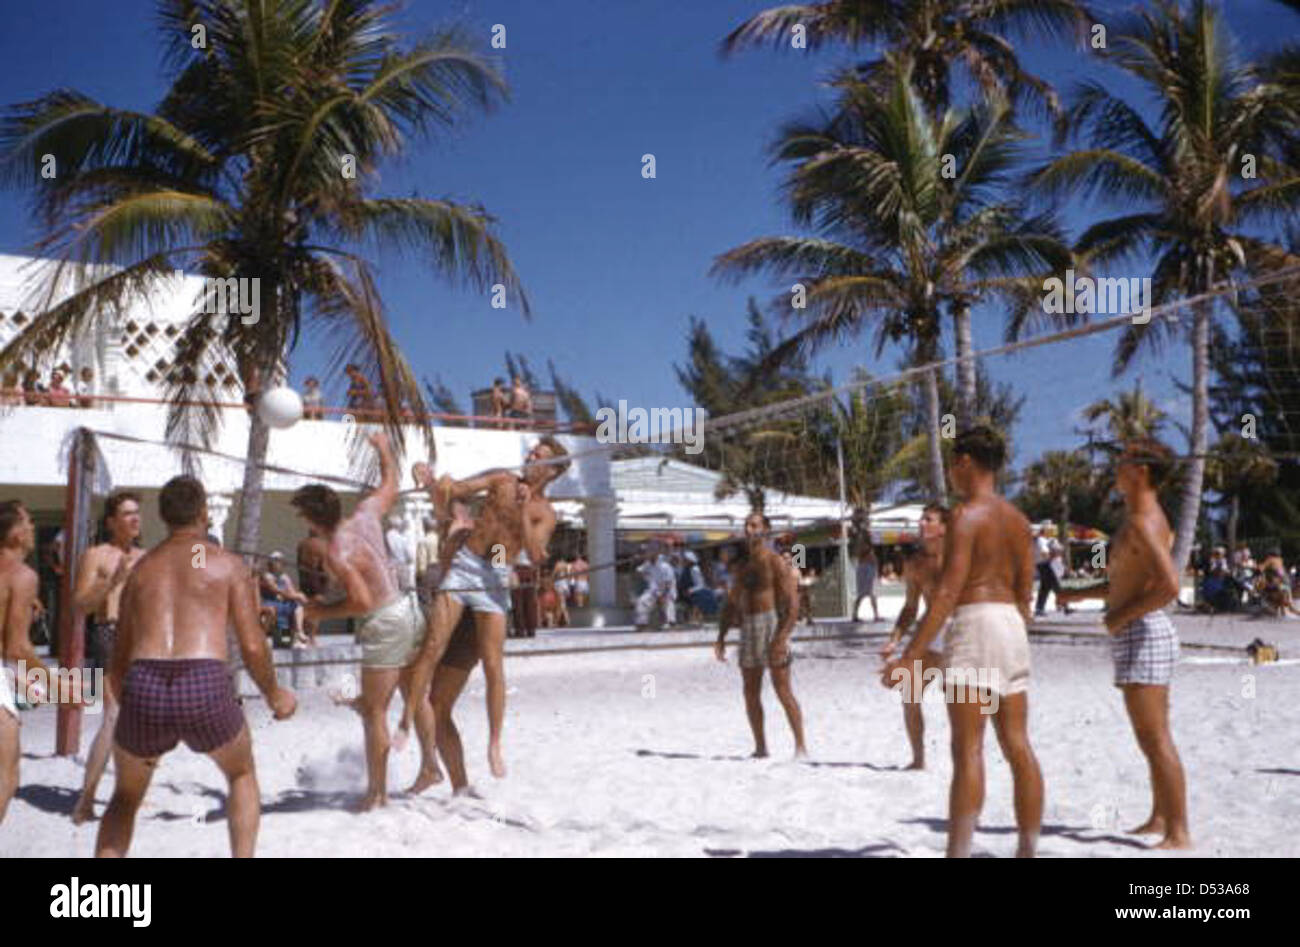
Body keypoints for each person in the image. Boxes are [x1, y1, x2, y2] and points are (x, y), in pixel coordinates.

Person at [96, 478, 296, 857]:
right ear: (204, 512)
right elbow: (253, 645)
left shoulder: (142, 570)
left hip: (144, 682)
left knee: (124, 797)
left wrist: (136, 710)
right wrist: (275, 695)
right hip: (202, 679)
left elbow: (118, 660)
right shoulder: (223, 563)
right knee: (240, 774)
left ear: (162, 516)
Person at [881, 426, 1042, 858]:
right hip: (1012, 625)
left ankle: (958, 854)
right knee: (1018, 745)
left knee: (967, 750)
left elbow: (948, 594)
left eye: (954, 462)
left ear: (966, 462)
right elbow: (1026, 594)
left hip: (977, 621)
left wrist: (909, 661)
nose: (952, 472)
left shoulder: (967, 516)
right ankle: (1027, 851)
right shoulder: (1019, 520)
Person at [401, 436, 570, 779]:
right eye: (532, 450)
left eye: (540, 455)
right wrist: (433, 479)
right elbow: (458, 490)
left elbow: (535, 555)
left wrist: (522, 509)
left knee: (494, 664)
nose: (531, 455)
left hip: (495, 571)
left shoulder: (544, 512)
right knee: (432, 648)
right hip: (467, 564)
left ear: (552, 472)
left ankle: (494, 744)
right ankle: (405, 723)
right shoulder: (502, 479)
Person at [1058, 438, 1191, 849]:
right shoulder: (1136, 518)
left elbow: (1170, 585)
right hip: (1139, 631)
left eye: (1124, 461)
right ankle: (1160, 816)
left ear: (1142, 471)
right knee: (1152, 737)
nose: (1116, 466)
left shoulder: (1143, 521)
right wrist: (1079, 594)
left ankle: (1179, 832)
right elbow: (1127, 581)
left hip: (1144, 631)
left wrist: (1120, 616)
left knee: (1155, 738)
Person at [294, 434, 436, 809]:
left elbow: (360, 601)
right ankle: (430, 767)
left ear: (310, 520)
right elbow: (391, 481)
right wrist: (383, 449)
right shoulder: (367, 513)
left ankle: (377, 794)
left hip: (386, 620)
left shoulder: (338, 552)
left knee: (374, 712)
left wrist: (318, 612)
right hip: (409, 608)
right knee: (413, 695)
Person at [70, 491, 145, 825]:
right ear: (111, 521)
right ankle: (85, 802)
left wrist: (203, 542)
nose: (135, 519)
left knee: (143, 722)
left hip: (143, 640)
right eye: (127, 513)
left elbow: (197, 560)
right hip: (110, 634)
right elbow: (81, 605)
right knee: (113, 719)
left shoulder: (146, 556)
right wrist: (112, 581)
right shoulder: (96, 555)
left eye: (137, 513)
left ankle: (126, 796)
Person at [715, 514, 806, 758]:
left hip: (771, 622)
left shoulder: (775, 561)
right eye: (746, 525)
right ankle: (760, 747)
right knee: (750, 691)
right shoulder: (742, 566)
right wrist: (721, 636)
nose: (748, 529)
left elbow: (793, 603)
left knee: (782, 689)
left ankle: (800, 746)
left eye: (754, 525)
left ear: (766, 531)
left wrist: (782, 637)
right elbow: (732, 602)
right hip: (748, 626)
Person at [879, 503, 949, 770]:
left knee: (962, 699)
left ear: (944, 527)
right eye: (921, 519)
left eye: (928, 520)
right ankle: (918, 758)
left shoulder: (958, 558)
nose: (921, 524)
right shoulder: (915, 562)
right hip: (930, 629)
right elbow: (910, 607)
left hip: (959, 629)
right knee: (909, 692)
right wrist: (894, 639)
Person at [0, 500, 49, 824]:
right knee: (7, 777)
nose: (33, 528)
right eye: (29, 522)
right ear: (16, 534)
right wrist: (58, 683)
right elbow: (16, 648)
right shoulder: (23, 576)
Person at [259, 552, 308, 648]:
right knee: (274, 614)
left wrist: (297, 596)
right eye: (276, 561)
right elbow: (276, 591)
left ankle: (299, 632)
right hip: (271, 604)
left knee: (298, 606)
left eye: (280, 561)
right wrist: (296, 596)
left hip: (283, 606)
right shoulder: (267, 576)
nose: (279, 564)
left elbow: (291, 591)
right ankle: (262, 637)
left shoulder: (284, 577)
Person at [1033, 527, 1064, 616]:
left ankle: (1039, 608)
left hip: (1042, 565)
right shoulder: (1041, 540)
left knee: (1045, 588)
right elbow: (1044, 553)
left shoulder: (1039, 540)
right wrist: (1054, 554)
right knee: (1055, 586)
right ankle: (1064, 604)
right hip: (1045, 565)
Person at [414, 516, 441, 606]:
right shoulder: (440, 539)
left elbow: (422, 562)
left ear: (425, 527)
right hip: (441, 571)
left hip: (429, 571)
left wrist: (419, 576)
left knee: (426, 601)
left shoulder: (423, 541)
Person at [853, 538, 881, 623]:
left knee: (865, 595)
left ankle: (855, 615)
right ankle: (875, 615)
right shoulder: (864, 547)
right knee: (869, 594)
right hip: (867, 570)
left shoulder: (862, 547)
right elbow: (865, 555)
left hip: (866, 569)